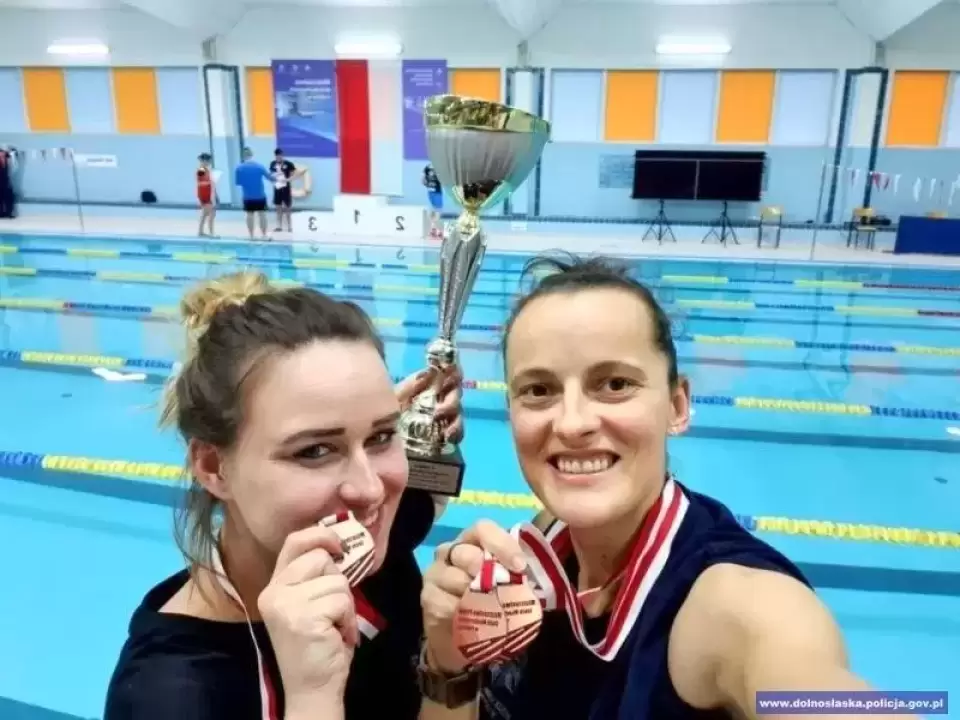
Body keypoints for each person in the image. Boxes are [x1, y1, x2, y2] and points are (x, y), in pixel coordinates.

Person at [418, 255, 918, 720]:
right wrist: (447, 661)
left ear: (677, 406)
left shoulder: (731, 602)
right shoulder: (546, 541)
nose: (571, 423)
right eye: (538, 390)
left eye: (615, 384)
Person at [103, 271, 464, 720]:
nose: (371, 490)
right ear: (214, 467)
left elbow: (427, 494)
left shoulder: (368, 542)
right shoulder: (170, 696)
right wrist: (313, 699)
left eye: (381, 436)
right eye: (314, 451)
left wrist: (432, 434)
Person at [234, 148, 272, 240]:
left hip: (247, 196)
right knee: (262, 214)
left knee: (249, 215)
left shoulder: (239, 168)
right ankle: (264, 235)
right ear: (252, 154)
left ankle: (251, 236)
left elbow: (238, 183)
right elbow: (270, 178)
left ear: (243, 156)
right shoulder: (259, 166)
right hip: (260, 195)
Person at [269, 148, 296, 233]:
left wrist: (287, 180)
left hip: (286, 188)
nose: (279, 157)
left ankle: (290, 226)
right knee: (278, 208)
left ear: (282, 155)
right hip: (277, 188)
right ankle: (279, 226)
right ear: (275, 156)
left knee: (287, 208)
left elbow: (293, 175)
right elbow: (271, 174)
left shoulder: (288, 164)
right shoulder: (272, 164)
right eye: (277, 155)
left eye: (280, 155)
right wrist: (272, 178)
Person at [196, 153, 217, 237]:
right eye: (209, 161)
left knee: (205, 214)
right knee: (211, 213)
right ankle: (211, 233)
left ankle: (200, 232)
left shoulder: (205, 169)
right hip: (204, 194)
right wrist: (211, 182)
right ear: (205, 161)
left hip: (205, 193)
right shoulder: (201, 170)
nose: (210, 163)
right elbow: (200, 183)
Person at [423, 164, 443, 241]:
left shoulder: (438, 173)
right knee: (431, 213)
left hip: (437, 194)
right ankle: (434, 230)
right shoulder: (427, 172)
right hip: (431, 195)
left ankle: (436, 230)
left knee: (436, 212)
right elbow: (423, 180)